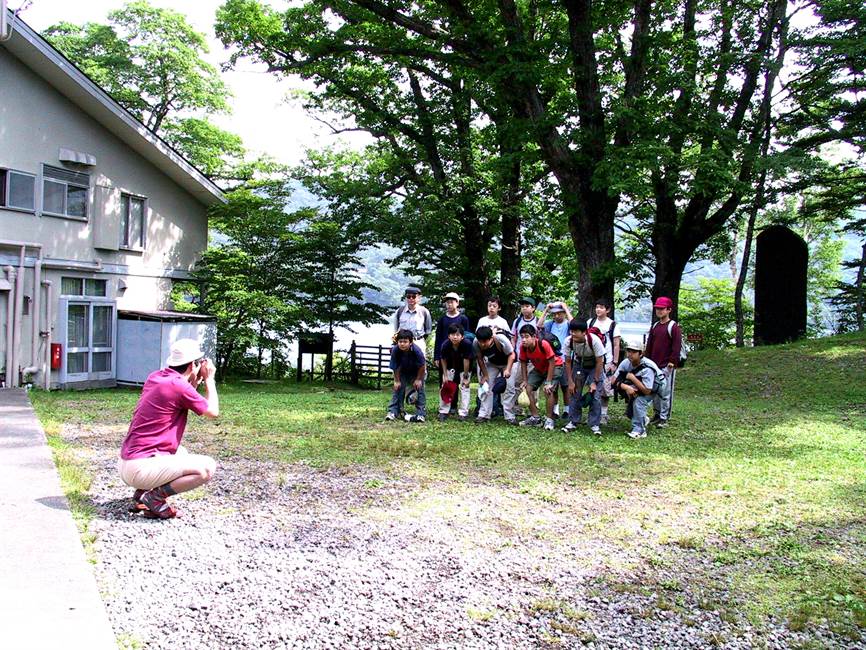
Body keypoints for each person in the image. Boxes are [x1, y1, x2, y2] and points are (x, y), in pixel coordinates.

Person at [118, 339, 219, 520]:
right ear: (191, 364)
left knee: (181, 452)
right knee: (206, 468)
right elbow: (213, 412)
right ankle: (155, 498)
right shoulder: (178, 386)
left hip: (127, 464)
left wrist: (193, 379)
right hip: (140, 469)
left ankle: (140, 494)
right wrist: (210, 380)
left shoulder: (155, 377)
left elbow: (178, 396)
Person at [613, 340, 665, 439]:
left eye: (634, 352)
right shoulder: (625, 363)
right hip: (639, 385)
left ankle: (639, 431)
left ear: (641, 354)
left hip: (655, 387)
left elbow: (647, 391)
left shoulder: (647, 368)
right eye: (629, 351)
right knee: (631, 410)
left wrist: (632, 378)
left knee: (639, 401)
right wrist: (626, 387)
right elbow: (613, 381)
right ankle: (643, 419)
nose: (630, 354)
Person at [562, 319, 606, 435]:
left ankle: (594, 424)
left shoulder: (594, 341)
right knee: (574, 392)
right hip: (579, 364)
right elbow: (567, 362)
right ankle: (573, 421)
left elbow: (599, 362)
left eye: (576, 331)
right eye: (571, 331)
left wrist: (594, 381)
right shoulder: (568, 341)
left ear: (584, 332)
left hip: (595, 366)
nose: (572, 333)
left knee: (595, 395)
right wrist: (570, 381)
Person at [517, 324, 564, 430]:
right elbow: (523, 363)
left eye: (527, 336)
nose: (524, 340)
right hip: (539, 368)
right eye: (522, 337)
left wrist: (548, 382)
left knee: (548, 390)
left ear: (534, 336)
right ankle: (535, 418)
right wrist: (524, 380)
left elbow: (552, 362)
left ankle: (549, 419)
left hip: (555, 366)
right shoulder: (523, 347)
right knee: (528, 389)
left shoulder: (543, 344)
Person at [644, 296, 681, 428]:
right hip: (654, 365)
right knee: (655, 391)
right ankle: (657, 414)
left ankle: (664, 417)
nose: (659, 311)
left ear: (669, 310)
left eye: (662, 309)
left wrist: (672, 362)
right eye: (657, 309)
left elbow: (676, 346)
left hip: (666, 365)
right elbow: (649, 345)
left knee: (666, 392)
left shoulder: (673, 327)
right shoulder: (655, 326)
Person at [587, 299, 622, 424]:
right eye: (597, 307)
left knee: (605, 389)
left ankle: (603, 414)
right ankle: (592, 413)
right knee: (592, 386)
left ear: (607, 310)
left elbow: (617, 344)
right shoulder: (590, 322)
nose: (598, 310)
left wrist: (615, 362)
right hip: (591, 359)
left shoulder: (612, 325)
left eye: (601, 307)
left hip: (607, 360)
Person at [537, 300, 573, 418]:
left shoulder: (568, 324)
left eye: (560, 313)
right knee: (554, 386)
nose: (557, 316)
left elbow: (574, 325)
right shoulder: (549, 324)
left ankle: (567, 409)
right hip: (553, 360)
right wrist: (546, 310)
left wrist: (566, 308)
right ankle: (555, 409)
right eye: (555, 314)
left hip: (566, 359)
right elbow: (539, 326)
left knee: (565, 386)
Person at [473, 325, 516, 424]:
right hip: (492, 363)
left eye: (485, 342)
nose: (483, 344)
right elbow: (479, 359)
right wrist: (485, 375)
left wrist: (508, 370)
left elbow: (512, 354)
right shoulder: (476, 342)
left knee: (510, 388)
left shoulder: (501, 339)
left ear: (491, 338)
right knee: (486, 386)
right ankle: (484, 414)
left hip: (508, 362)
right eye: (481, 342)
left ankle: (509, 416)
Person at [386, 329, 427, 423]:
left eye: (405, 342)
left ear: (411, 342)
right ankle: (393, 411)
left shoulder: (416, 350)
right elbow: (395, 366)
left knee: (420, 389)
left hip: (417, 371)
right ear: (397, 342)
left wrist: (418, 379)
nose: (402, 344)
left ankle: (421, 413)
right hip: (402, 371)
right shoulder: (395, 350)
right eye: (400, 341)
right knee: (398, 388)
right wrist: (396, 380)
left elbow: (422, 365)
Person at [433, 292, 470, 385]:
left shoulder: (463, 318)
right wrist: (437, 356)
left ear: (457, 303)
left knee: (459, 380)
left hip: (460, 354)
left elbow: (467, 336)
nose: (449, 304)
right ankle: (447, 399)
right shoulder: (442, 319)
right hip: (445, 352)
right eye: (447, 302)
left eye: (452, 302)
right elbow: (438, 337)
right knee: (446, 382)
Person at [438, 324, 473, 421]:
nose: (455, 337)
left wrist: (466, 377)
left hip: (464, 368)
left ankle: (463, 413)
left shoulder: (466, 344)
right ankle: (443, 411)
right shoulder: (446, 345)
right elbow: (443, 360)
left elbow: (467, 360)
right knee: (445, 386)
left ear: (462, 336)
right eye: (452, 334)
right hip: (450, 367)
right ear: (449, 335)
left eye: (457, 335)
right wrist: (445, 375)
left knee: (464, 388)